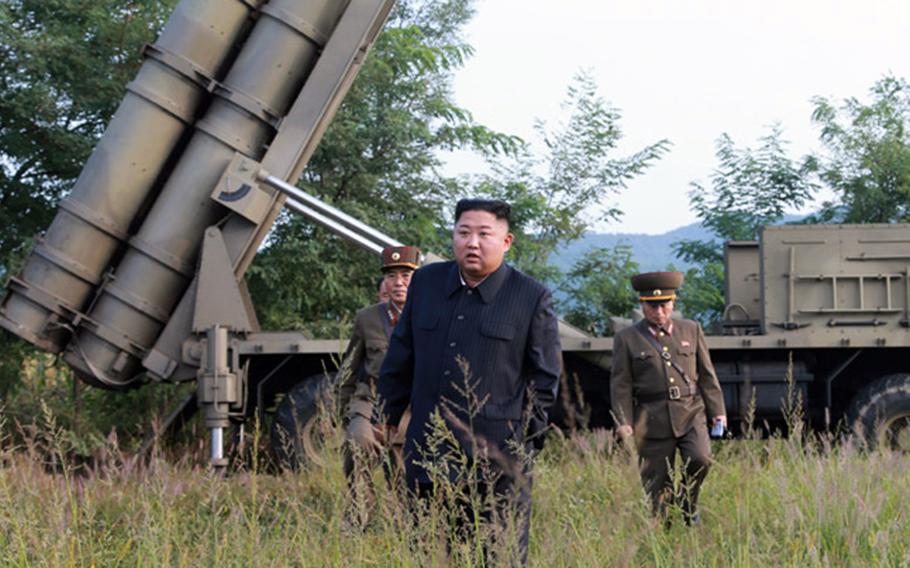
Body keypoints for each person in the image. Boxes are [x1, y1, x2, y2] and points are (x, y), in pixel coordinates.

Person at [377, 198, 561, 563]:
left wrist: (523, 444)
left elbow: (546, 379)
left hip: (497, 461)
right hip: (430, 452)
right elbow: (401, 354)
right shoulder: (427, 283)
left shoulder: (531, 297)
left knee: (497, 556)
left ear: (506, 242)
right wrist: (388, 414)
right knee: (431, 553)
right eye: (464, 233)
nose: (472, 242)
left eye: (483, 234)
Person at [610, 271, 726, 526]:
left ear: (673, 303)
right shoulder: (627, 338)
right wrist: (624, 421)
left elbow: (707, 374)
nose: (659, 312)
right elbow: (621, 384)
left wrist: (718, 410)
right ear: (642, 305)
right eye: (652, 306)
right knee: (656, 484)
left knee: (701, 458)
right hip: (650, 418)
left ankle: (688, 504)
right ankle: (666, 535)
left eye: (664, 305)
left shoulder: (691, 329)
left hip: (690, 411)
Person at [337, 245, 420, 528]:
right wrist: (345, 412)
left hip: (411, 407)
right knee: (357, 440)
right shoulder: (367, 318)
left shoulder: (431, 316)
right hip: (370, 400)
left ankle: (405, 524)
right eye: (392, 276)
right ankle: (360, 515)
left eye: (406, 276)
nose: (398, 283)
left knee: (402, 477)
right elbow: (349, 367)